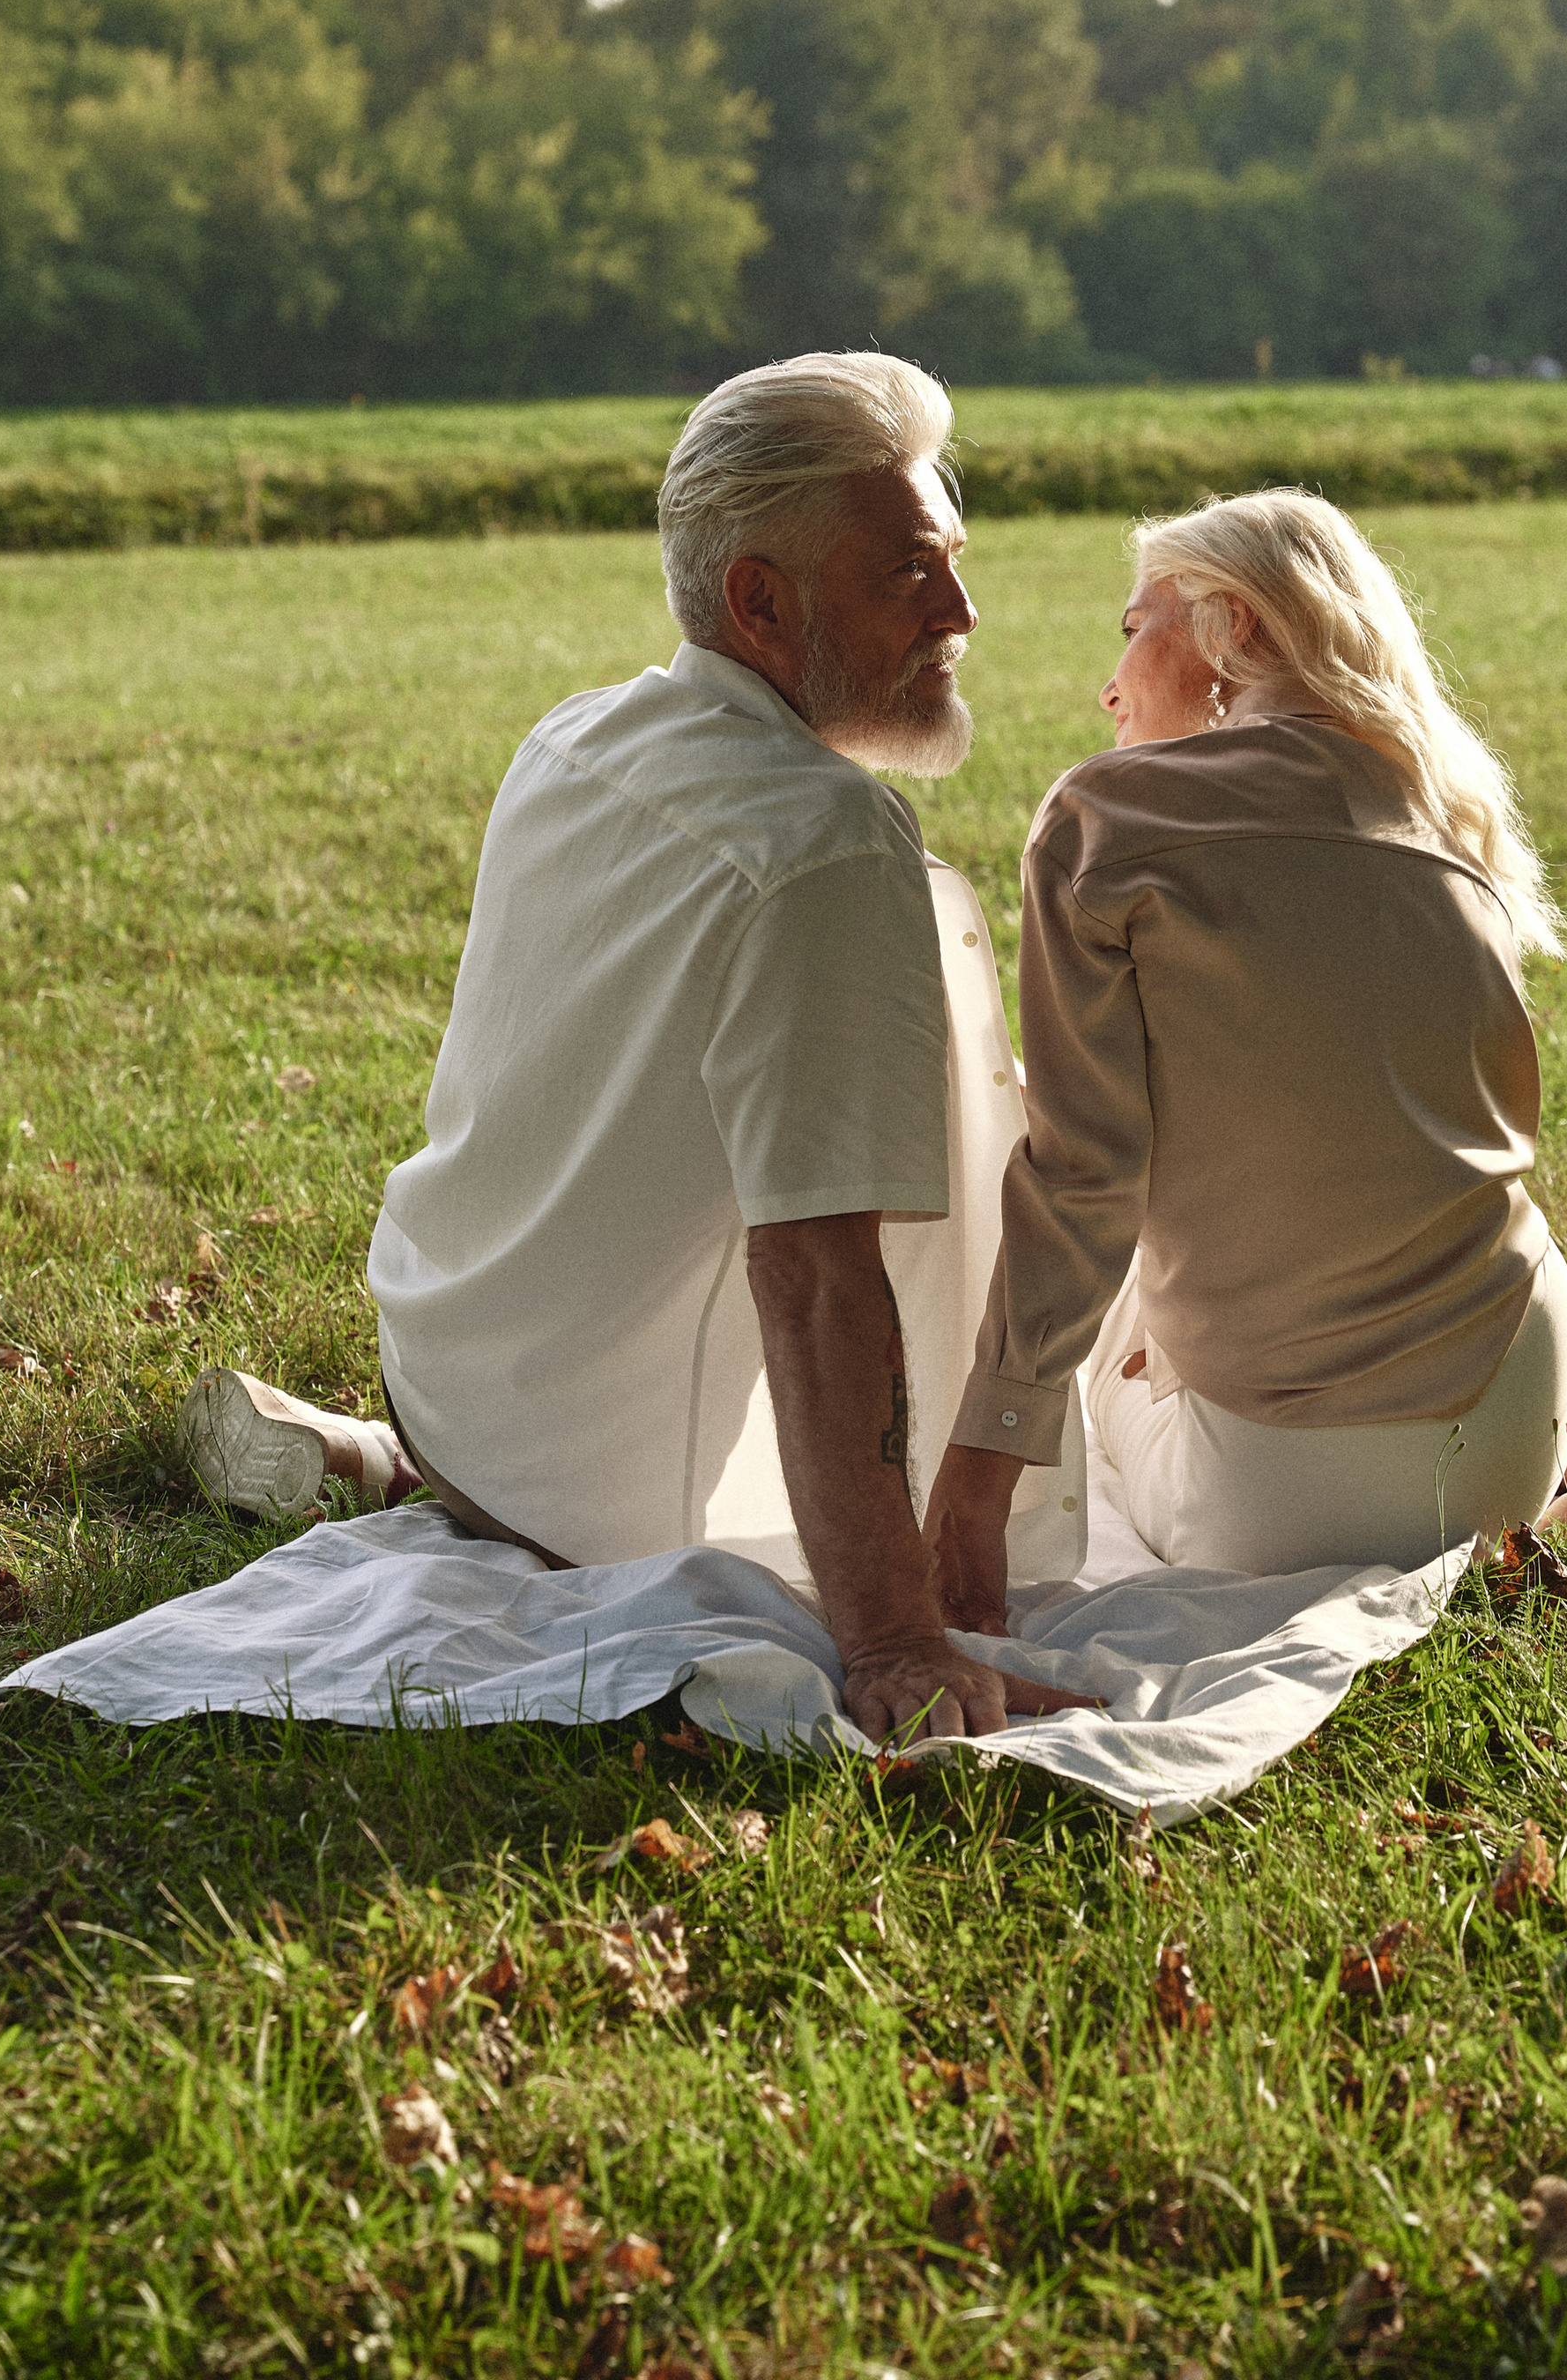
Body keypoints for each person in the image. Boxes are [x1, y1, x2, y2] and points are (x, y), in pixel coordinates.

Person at [181, 352, 1087, 1745]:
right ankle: (467, 1509)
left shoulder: (578, 733)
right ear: (761, 601)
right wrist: (897, 1638)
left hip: (450, 1364)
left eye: (953, 561)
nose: (962, 611)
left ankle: (393, 1470)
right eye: (909, 573)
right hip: (604, 1486)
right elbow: (819, 1279)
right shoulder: (829, 845)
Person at [926, 487, 1567, 1609]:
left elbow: (1084, 1179)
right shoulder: (1445, 815)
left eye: (1133, 629)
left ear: (1231, 628)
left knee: (1047, 1229)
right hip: (1522, 1396)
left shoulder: (1108, 819)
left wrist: (978, 1484)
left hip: (1289, 1502)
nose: (1110, 681)